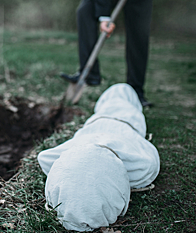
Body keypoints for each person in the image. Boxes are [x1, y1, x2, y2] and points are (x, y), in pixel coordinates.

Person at [38, 83, 160, 231]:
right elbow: (150, 162)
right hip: (121, 123)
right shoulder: (139, 166)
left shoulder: (140, 166)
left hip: (96, 126)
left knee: (116, 99)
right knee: (123, 97)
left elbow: (44, 158)